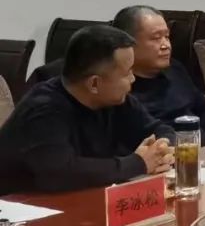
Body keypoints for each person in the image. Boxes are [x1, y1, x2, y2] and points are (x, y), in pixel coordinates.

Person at [0, 25, 175, 195]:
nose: (132, 79)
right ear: (94, 83)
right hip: (21, 205)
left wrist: (161, 149)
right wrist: (138, 163)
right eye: (127, 73)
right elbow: (59, 173)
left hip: (85, 197)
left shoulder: (115, 98)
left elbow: (159, 129)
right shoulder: (43, 109)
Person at [112, 6, 205, 145]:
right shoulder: (119, 88)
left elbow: (204, 108)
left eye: (167, 37)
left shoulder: (174, 69)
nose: (166, 45)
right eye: (156, 38)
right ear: (129, 44)